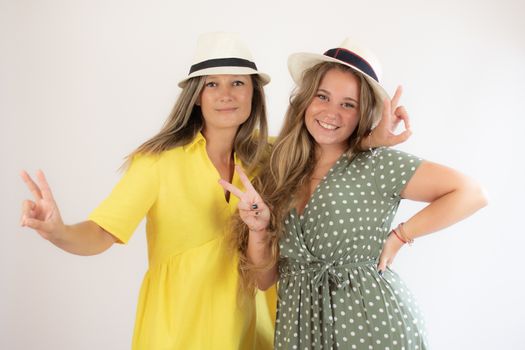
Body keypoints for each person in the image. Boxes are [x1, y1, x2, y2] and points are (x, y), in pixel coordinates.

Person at [220, 37, 488, 349]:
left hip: (373, 326)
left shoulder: (378, 163)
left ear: (363, 114)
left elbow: (471, 192)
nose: (331, 112)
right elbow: (264, 280)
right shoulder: (282, 167)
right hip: (301, 330)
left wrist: (401, 235)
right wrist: (257, 228)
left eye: (349, 104)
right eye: (323, 96)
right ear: (306, 100)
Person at [19, 32, 277, 350]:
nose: (226, 94)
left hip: (245, 335)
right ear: (197, 96)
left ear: (254, 93)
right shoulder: (158, 162)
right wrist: (58, 231)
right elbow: (102, 234)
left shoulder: (269, 157)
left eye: (237, 83)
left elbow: (327, 148)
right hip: (175, 334)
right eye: (212, 84)